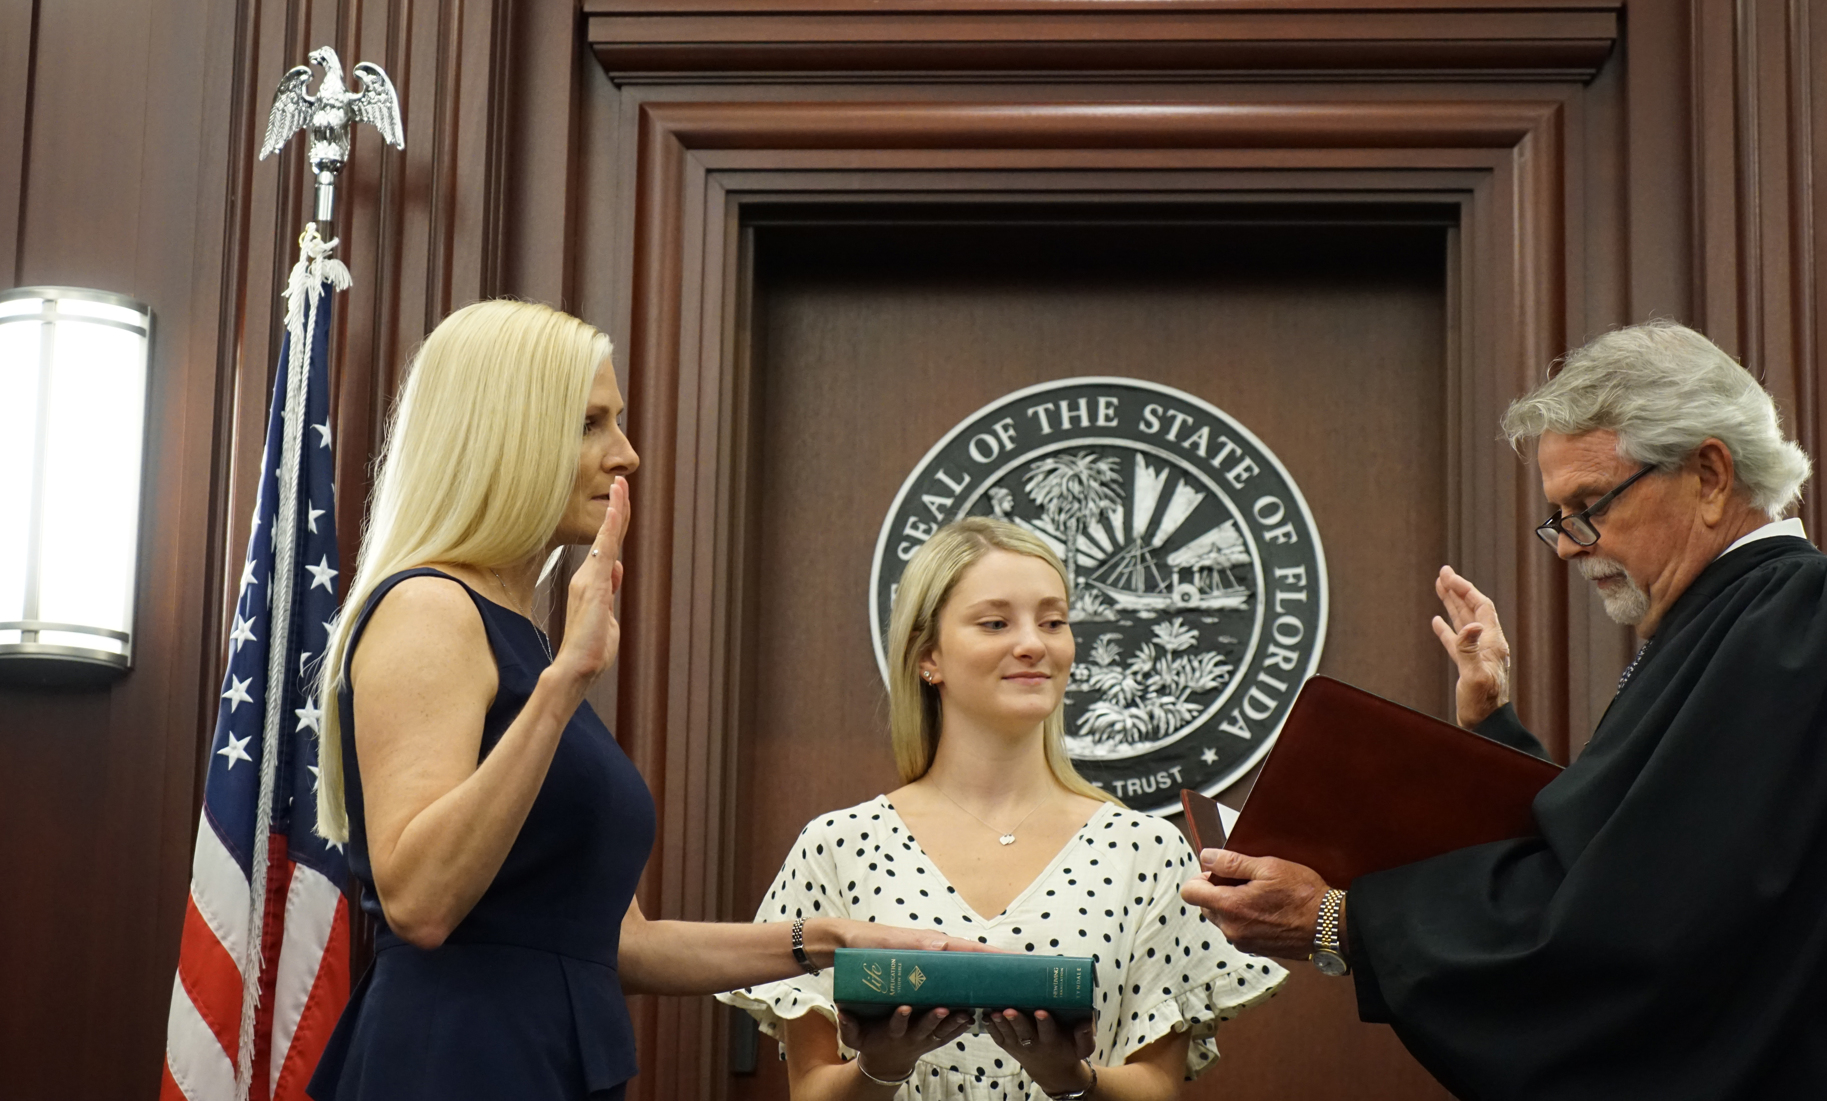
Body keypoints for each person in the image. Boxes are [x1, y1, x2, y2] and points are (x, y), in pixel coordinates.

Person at [1181, 320, 1827, 1100]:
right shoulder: (1733, 623)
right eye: (1559, 516)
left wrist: (1343, 920)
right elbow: (1625, 852)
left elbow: (1647, 922)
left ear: (1711, 474)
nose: (1567, 545)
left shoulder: (1803, 615)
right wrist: (1494, 730)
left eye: (1589, 504)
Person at [306, 301, 986, 1101]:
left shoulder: (518, 634)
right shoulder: (430, 607)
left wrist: (831, 941)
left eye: (617, 421)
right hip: (456, 1060)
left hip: (552, 1059)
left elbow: (625, 942)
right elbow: (420, 901)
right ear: (503, 432)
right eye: (591, 422)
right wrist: (566, 682)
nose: (624, 453)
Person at [721, 517, 1285, 1101]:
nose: (1034, 644)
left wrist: (1073, 1078)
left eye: (1053, 621)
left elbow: (1156, 1089)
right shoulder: (837, 846)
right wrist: (880, 1067)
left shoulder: (1147, 850)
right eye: (996, 622)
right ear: (926, 657)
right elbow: (809, 1092)